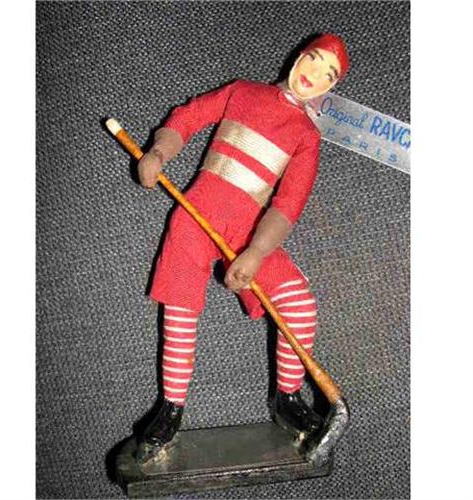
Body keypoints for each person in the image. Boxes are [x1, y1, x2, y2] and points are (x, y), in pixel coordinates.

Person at [136, 33, 349, 462]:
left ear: (331, 87)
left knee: (298, 304)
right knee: (180, 309)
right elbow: (188, 118)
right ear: (299, 55)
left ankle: (287, 399)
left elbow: (287, 206)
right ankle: (171, 409)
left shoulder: (306, 136)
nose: (315, 74)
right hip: (195, 214)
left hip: (250, 233)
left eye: (329, 74)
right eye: (314, 59)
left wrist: (255, 252)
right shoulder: (243, 92)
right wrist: (158, 153)